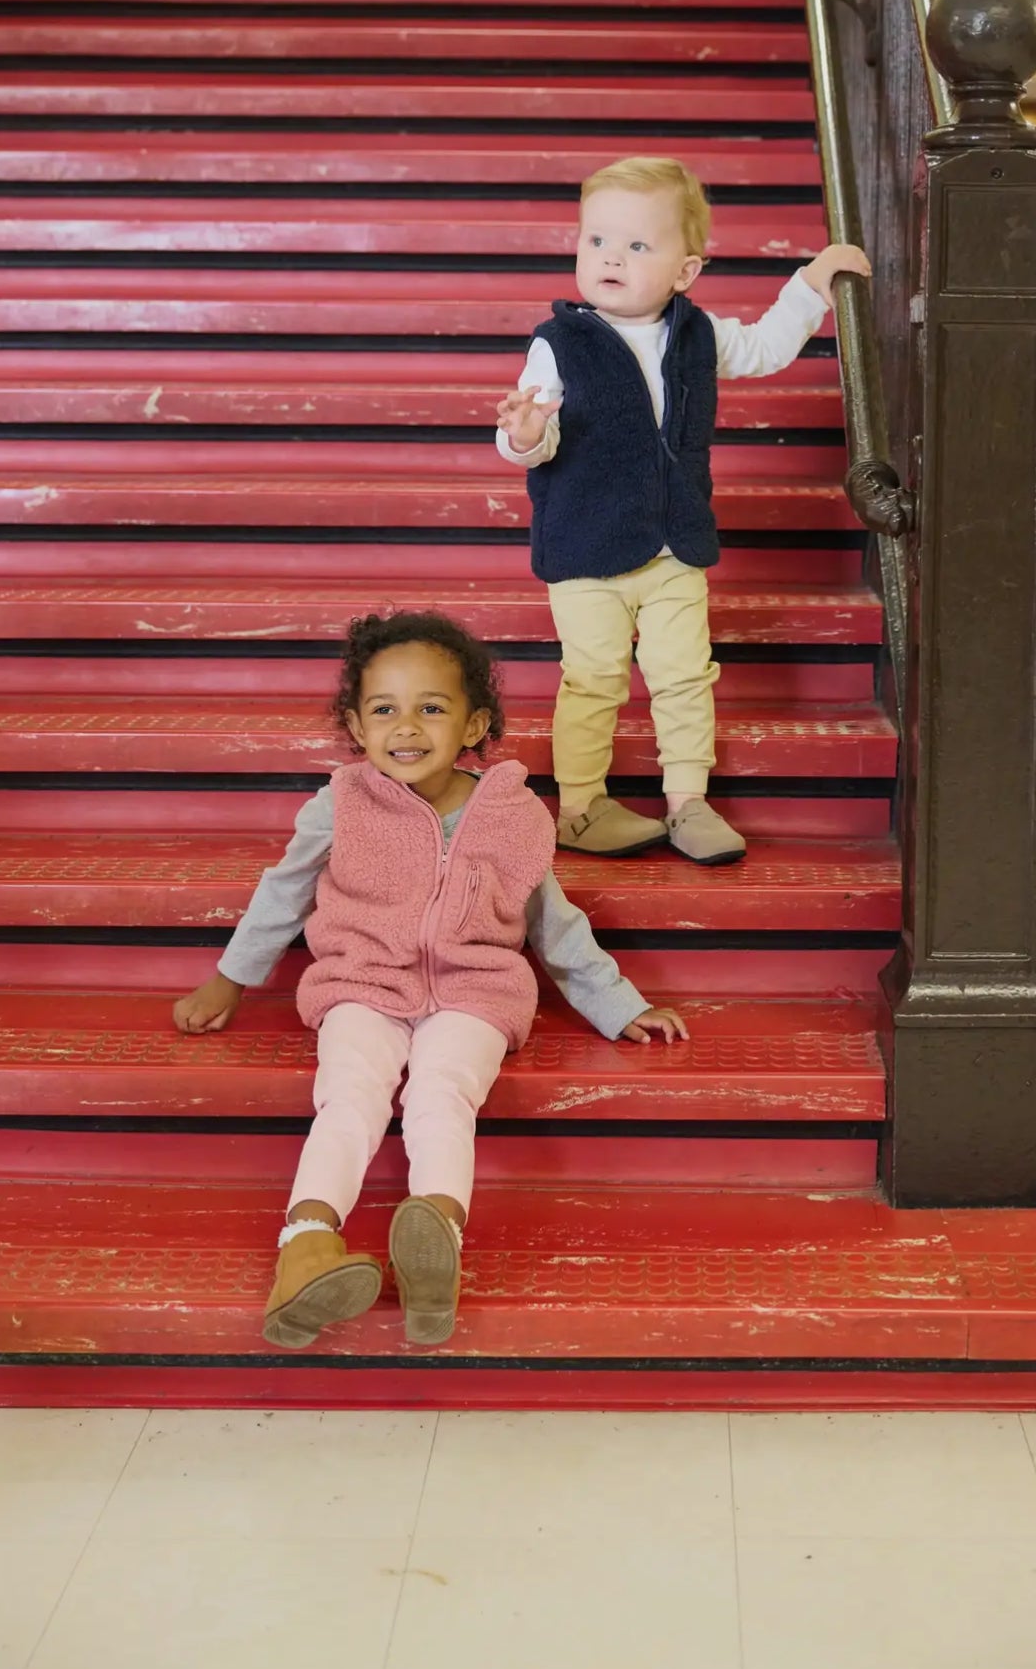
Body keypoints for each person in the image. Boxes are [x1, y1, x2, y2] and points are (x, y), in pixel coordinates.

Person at [173, 609, 686, 1351]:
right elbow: (284, 891)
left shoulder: (510, 814)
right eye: (384, 710)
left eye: (432, 709)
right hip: (362, 983)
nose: (406, 727)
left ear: (474, 724)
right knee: (349, 1094)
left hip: (476, 991)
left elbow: (552, 920)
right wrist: (230, 978)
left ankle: (434, 1243)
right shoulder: (342, 803)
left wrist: (616, 1005)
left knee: (441, 1093)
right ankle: (306, 1248)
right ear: (357, 725)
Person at [496, 155, 871, 866]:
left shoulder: (698, 334)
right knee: (593, 679)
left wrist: (811, 284)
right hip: (585, 550)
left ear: (685, 270)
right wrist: (525, 434)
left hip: (674, 547)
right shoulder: (559, 344)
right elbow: (533, 441)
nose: (611, 258)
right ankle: (580, 806)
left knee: (683, 675)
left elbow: (764, 348)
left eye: (637, 245)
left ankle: (687, 801)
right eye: (596, 240)